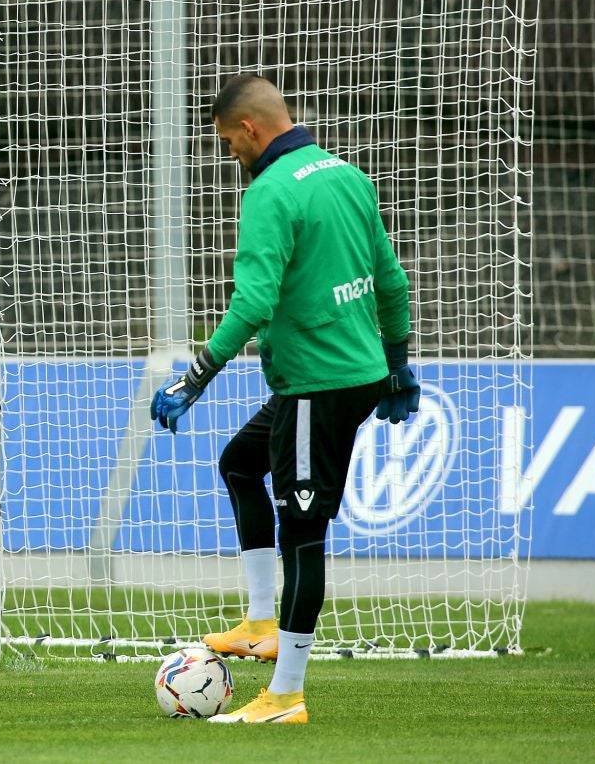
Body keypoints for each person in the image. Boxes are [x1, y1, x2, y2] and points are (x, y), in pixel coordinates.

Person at [150, 74, 419, 724]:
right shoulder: (345, 175)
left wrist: (196, 375)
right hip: (353, 375)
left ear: (249, 129)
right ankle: (261, 624)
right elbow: (390, 278)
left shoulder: (268, 193)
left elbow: (253, 302)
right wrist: (399, 364)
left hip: (314, 386)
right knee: (240, 463)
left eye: (227, 144)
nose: (229, 158)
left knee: (303, 534)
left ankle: (286, 694)